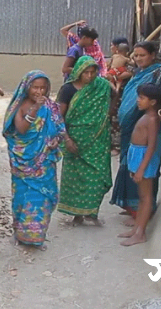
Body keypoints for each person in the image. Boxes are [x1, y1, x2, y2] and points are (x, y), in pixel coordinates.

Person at [110, 41, 161, 226]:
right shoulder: (139, 73)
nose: (138, 59)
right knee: (130, 166)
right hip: (133, 129)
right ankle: (133, 207)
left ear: (153, 55)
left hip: (148, 130)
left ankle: (144, 210)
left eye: (142, 55)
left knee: (145, 170)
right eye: (135, 56)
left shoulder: (160, 74)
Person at [3, 71, 76, 250]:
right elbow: (20, 129)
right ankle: (20, 234)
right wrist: (34, 108)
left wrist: (65, 140)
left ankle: (36, 237)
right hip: (24, 162)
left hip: (44, 161)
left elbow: (59, 125)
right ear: (27, 87)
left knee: (44, 196)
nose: (39, 91)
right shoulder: (19, 106)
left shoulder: (51, 106)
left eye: (43, 87)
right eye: (35, 87)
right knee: (22, 197)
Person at [56, 56, 112, 226]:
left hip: (97, 140)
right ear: (78, 72)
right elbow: (58, 116)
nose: (89, 75)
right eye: (85, 72)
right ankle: (77, 215)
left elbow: (114, 94)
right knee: (76, 178)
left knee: (98, 176)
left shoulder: (101, 86)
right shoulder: (67, 90)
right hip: (75, 141)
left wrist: (106, 116)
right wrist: (66, 139)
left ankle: (92, 212)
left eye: (92, 72)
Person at [118, 83, 161, 246]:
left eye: (142, 98)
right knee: (141, 196)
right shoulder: (146, 115)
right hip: (137, 155)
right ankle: (137, 228)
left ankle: (140, 233)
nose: (138, 100)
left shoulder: (152, 119)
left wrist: (141, 169)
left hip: (144, 157)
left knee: (146, 198)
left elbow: (152, 145)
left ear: (152, 102)